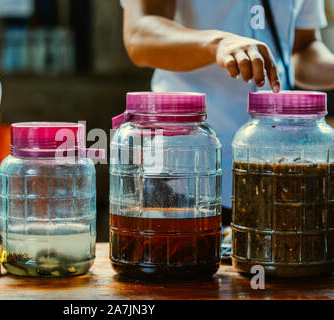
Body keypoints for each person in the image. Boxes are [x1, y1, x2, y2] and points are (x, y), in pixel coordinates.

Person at [121, 0, 334, 224]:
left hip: (277, 171)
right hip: (184, 173)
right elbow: (139, 34)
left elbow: (301, 50)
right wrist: (217, 43)